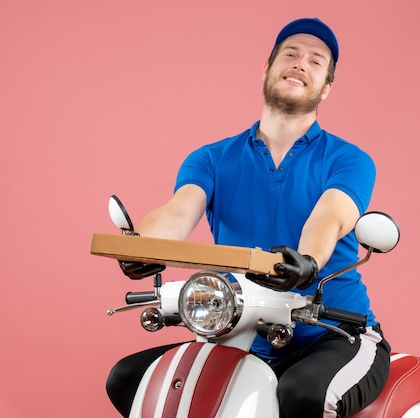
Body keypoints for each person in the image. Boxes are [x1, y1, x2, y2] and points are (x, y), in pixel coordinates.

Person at [106, 17, 391, 418]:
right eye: (290, 54)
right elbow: (178, 210)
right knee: (130, 377)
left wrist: (307, 262)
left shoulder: (348, 160)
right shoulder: (212, 159)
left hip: (334, 334)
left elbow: (329, 216)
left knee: (303, 393)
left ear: (326, 88)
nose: (299, 63)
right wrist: (144, 246)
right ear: (267, 68)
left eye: (315, 61)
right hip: (243, 333)